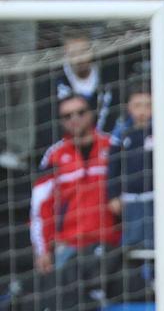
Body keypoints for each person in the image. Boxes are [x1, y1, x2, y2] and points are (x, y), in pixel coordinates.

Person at [31, 95, 117, 276]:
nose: (74, 119)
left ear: (92, 113)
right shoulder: (54, 155)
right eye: (67, 116)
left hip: (110, 243)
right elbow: (40, 207)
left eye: (80, 112)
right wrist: (42, 250)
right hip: (68, 246)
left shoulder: (113, 146)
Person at [106, 87, 154, 251]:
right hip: (129, 200)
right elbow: (113, 166)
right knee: (132, 242)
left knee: (153, 241)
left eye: (148, 105)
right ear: (128, 107)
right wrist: (113, 195)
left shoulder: (161, 131)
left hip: (154, 199)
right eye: (138, 105)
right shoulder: (120, 134)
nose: (143, 111)